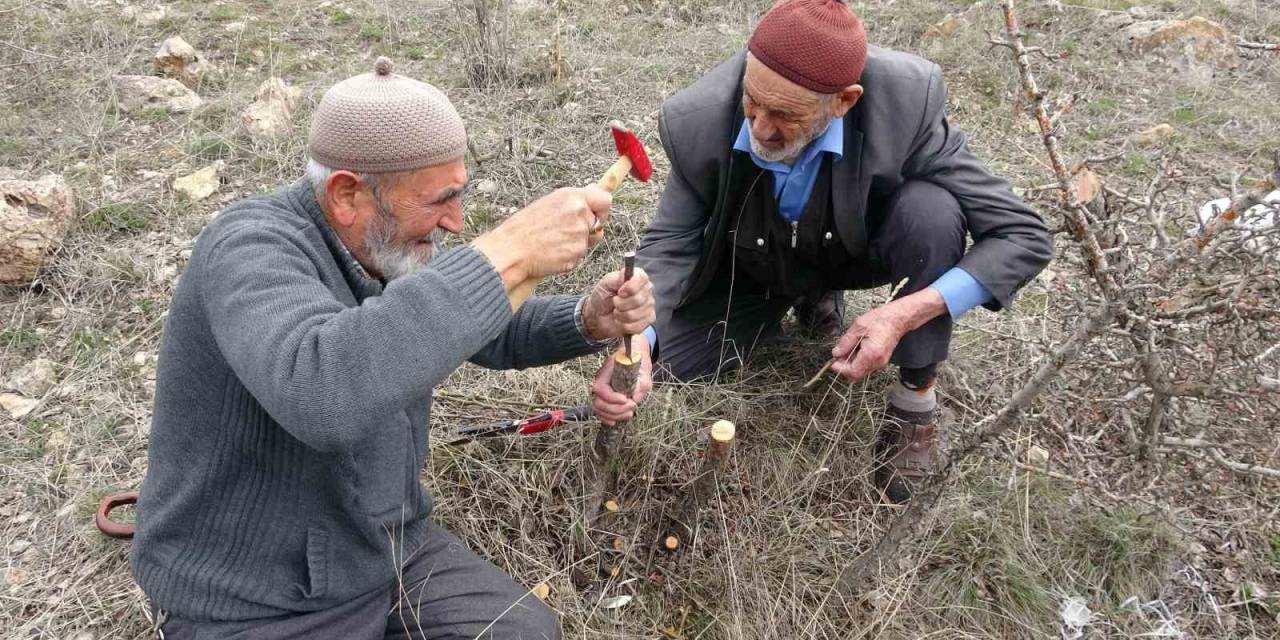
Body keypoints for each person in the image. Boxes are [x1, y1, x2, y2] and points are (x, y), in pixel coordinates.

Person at [131, 57, 655, 639]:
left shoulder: (378, 241)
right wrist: (506, 252)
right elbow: (322, 390)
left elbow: (444, 321)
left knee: (525, 633)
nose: (456, 223)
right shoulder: (249, 249)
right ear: (348, 194)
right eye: (438, 201)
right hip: (252, 591)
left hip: (376, 548)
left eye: (459, 195)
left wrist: (587, 319)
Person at [635, 0, 1052, 503]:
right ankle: (797, 301)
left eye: (786, 115)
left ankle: (914, 401)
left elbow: (1023, 235)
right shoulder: (695, 120)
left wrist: (905, 314)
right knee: (661, 368)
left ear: (845, 101)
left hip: (853, 253)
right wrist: (639, 334)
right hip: (751, 265)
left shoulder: (906, 104)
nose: (761, 129)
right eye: (752, 102)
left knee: (932, 211)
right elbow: (671, 241)